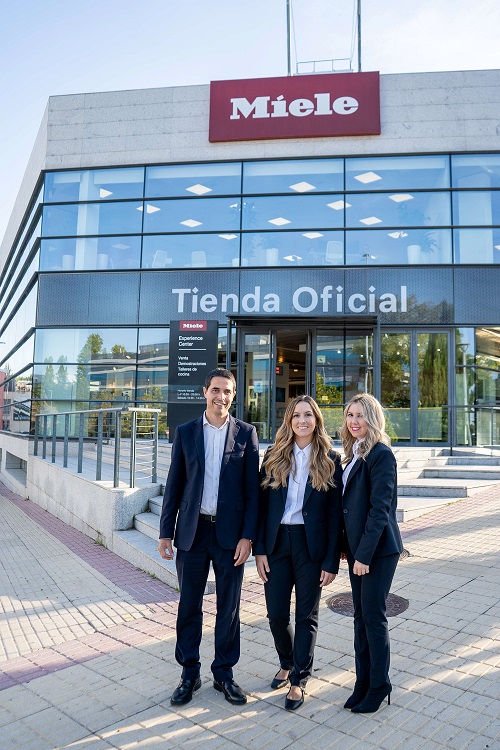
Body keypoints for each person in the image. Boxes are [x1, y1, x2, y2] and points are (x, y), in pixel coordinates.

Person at [158, 368, 260, 707]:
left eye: (227, 391)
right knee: (189, 605)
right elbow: (174, 485)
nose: (221, 396)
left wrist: (248, 537)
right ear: (205, 392)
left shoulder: (246, 434)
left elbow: (252, 492)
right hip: (193, 532)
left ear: (234, 395)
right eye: (216, 389)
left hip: (230, 536)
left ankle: (224, 673)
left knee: (228, 607)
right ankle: (189, 673)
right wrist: (165, 532)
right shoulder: (186, 432)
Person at [254, 395, 342, 711]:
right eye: (296, 416)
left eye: (308, 415)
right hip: (276, 543)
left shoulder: (330, 459)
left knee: (306, 615)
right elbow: (261, 507)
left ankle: (299, 679)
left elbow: (335, 516)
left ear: (316, 420)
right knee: (276, 614)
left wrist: (331, 560)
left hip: (310, 546)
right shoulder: (273, 455)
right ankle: (287, 661)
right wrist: (259, 550)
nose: (302, 421)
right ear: (288, 421)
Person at [340, 393, 403, 713]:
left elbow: (380, 510)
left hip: (377, 551)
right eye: (350, 415)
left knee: (373, 618)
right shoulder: (353, 452)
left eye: (360, 415)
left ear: (373, 418)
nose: (354, 421)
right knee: (360, 617)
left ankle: (380, 685)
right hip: (359, 549)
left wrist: (363, 555)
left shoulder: (381, 454)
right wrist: (347, 547)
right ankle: (362, 682)